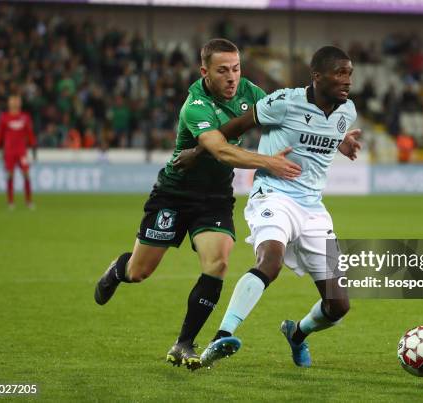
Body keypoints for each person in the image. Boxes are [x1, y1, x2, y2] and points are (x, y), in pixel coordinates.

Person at [93, 39, 301, 370]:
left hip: (215, 198)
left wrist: (337, 135)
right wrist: (268, 162)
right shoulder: (195, 105)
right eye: (222, 71)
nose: (232, 77)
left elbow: (290, 115)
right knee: (140, 271)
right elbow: (220, 150)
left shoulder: (250, 93)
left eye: (236, 69)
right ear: (205, 72)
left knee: (217, 263)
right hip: (174, 195)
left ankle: (185, 343)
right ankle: (119, 270)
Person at [198, 46, 361, 369]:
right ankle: (221, 336)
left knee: (338, 305)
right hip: (273, 194)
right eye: (340, 73)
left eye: (350, 74)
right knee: (269, 261)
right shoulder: (284, 102)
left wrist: (342, 142)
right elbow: (236, 127)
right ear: (317, 77)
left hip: (313, 209)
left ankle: (297, 334)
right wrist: (199, 150)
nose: (347, 81)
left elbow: (326, 129)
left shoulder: (348, 112)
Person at [0, 94, 37, 210]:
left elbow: (30, 133)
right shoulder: (4, 117)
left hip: (21, 151)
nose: (15, 103)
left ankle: (29, 201)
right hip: (9, 151)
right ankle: (10, 202)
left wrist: (33, 147)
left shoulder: (25, 117)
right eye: (13, 101)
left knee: (26, 175)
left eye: (17, 101)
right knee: (10, 175)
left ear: (20, 103)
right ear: (9, 103)